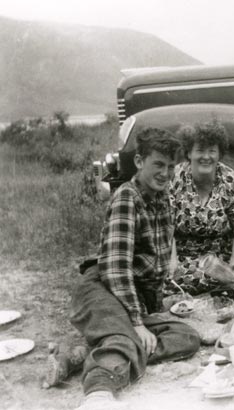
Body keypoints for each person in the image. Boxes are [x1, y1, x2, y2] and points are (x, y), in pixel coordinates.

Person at [48, 128, 201, 410]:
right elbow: (116, 269)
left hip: (129, 296)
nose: (165, 173)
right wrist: (137, 323)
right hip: (101, 288)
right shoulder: (126, 198)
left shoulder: (163, 200)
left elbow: (155, 267)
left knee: (188, 337)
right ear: (140, 161)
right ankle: (99, 393)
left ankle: (84, 351)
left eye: (170, 167)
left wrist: (148, 312)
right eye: (158, 164)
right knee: (125, 338)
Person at [166, 122, 234, 296]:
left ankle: (218, 281)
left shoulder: (231, 180)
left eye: (212, 151)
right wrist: (172, 261)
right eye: (200, 150)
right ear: (189, 153)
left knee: (222, 273)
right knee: (166, 274)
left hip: (220, 258)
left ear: (219, 154)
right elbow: (166, 224)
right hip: (181, 255)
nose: (206, 157)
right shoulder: (174, 178)